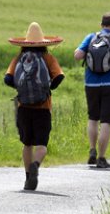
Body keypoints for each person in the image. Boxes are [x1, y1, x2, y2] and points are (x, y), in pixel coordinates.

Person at [4, 22, 65, 191]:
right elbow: (59, 77)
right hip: (43, 107)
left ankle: (27, 178)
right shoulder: (48, 58)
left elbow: (7, 79)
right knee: (42, 145)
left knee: (27, 144)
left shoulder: (18, 59)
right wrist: (48, 88)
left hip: (23, 107)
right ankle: (35, 166)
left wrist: (22, 89)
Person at [74, 12, 110, 169]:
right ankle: (101, 157)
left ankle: (92, 150)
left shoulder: (90, 37)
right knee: (106, 121)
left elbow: (77, 55)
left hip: (90, 84)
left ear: (101, 25)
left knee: (93, 118)